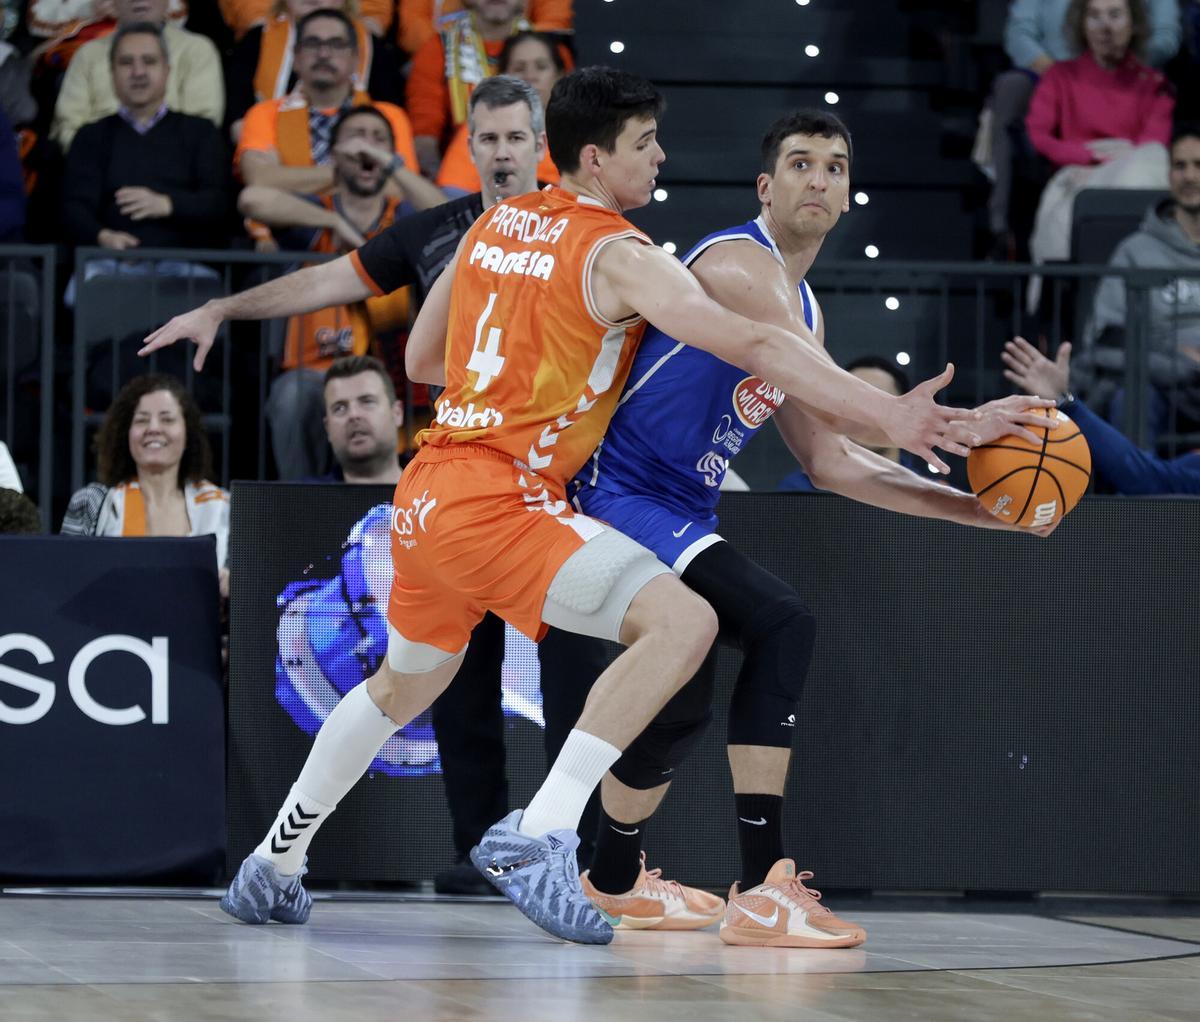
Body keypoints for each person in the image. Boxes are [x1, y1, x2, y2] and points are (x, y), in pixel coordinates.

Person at [142, 66, 976, 945]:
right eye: (645, 144)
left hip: (424, 494)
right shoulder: (621, 253)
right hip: (505, 494)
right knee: (684, 625)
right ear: (594, 156)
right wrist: (893, 413)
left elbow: (424, 359)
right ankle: (542, 833)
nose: (660, 159)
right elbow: (752, 341)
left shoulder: (494, 222)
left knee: (401, 685)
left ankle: (274, 862)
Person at [565, 109, 1058, 946]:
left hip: (678, 509)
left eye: (834, 166)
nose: (818, 179)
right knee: (782, 622)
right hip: (620, 491)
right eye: (800, 163)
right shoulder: (737, 264)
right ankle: (763, 889)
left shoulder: (807, 311)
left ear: (848, 192)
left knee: (680, 711)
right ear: (767, 185)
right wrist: (954, 423)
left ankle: (609, 876)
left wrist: (976, 510)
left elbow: (833, 460)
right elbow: (847, 402)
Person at [238, 105, 419, 478]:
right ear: (334, 153)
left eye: (378, 140)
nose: (367, 149)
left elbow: (454, 211)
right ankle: (302, 508)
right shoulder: (315, 213)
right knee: (292, 395)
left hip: (388, 366)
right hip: (318, 368)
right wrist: (330, 219)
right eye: (356, 139)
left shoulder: (403, 219)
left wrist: (393, 167)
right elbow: (251, 198)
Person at [982, 0, 1179, 255]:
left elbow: (1153, 145)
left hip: (1133, 175)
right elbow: (1038, 135)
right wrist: (1087, 156)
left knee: (1151, 161)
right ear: (1082, 24)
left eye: (1115, 15)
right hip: (1076, 176)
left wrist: (1114, 162)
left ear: (1134, 24)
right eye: (1094, 16)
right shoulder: (1060, 77)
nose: (1104, 26)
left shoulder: (1154, 85)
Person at [61, 22, 228, 255]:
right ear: (112, 73)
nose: (138, 72)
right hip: (107, 265)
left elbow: (219, 204)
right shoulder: (90, 136)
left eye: (149, 61)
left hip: (188, 271)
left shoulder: (201, 132)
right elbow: (73, 208)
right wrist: (103, 237)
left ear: (167, 70)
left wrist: (168, 205)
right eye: (126, 62)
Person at [234, 8, 430, 207]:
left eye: (336, 44)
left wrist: (287, 177)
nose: (324, 54)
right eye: (312, 43)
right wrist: (361, 173)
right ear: (296, 57)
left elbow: (404, 189)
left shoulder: (388, 115)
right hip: (293, 231)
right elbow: (259, 180)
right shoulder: (264, 113)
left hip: (375, 230)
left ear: (355, 59)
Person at [1080, 123, 1200, 441]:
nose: (1189, 176)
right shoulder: (1135, 251)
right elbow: (1107, 335)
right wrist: (1176, 358)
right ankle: (1134, 493)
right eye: (1180, 165)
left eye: (1199, 165)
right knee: (1130, 396)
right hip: (1162, 382)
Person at [61, 373, 230, 593]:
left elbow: (260, 598)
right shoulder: (92, 503)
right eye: (141, 420)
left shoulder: (225, 508)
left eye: (167, 419)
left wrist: (235, 586)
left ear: (188, 433)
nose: (153, 428)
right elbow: (63, 584)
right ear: (126, 434)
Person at [405, 0, 570, 176]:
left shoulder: (553, 50)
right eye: (520, 68)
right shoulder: (436, 49)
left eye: (540, 66)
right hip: (464, 173)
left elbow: (570, 122)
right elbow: (425, 137)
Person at [224, 0, 404, 146]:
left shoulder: (373, 48)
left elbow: (388, 128)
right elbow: (239, 121)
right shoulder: (256, 40)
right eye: (311, 45)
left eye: (336, 45)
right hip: (271, 158)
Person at [51, 0, 223, 152]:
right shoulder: (88, 54)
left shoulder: (197, 50)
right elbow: (68, 127)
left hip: (175, 173)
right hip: (98, 169)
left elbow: (203, 126)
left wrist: (146, 163)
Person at [436, 29, 561, 196]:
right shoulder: (479, 127)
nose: (530, 76)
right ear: (502, 75)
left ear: (560, 75)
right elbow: (451, 196)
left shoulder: (581, 133)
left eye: (541, 67)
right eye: (519, 68)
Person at [778, 355, 927, 490]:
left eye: (880, 405)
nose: (865, 414)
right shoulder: (797, 491)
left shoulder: (930, 493)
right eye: (853, 403)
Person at [318, 353, 404, 483]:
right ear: (327, 428)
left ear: (397, 413)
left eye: (367, 401)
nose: (353, 415)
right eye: (339, 408)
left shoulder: (439, 492)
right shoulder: (303, 500)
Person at [397, 0, 571, 56]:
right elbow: (411, 28)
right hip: (447, 62)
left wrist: (497, 49)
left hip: (520, 57)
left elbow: (554, 24)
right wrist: (447, 52)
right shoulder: (436, 51)